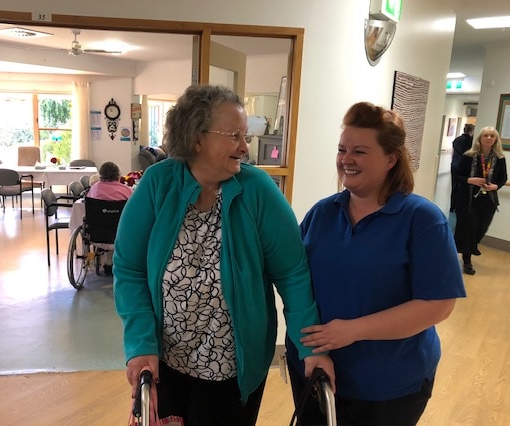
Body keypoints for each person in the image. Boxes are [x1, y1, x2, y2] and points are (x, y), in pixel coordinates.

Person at [113, 84, 334, 426]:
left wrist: (311, 348)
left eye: (244, 136)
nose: (245, 148)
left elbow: (293, 275)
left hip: (233, 369)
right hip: (166, 363)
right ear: (198, 137)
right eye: (234, 135)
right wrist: (140, 343)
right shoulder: (158, 185)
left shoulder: (258, 192)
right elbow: (130, 270)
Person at [285, 102, 466, 426]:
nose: (346, 160)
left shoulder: (422, 220)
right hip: (315, 370)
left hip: (387, 388)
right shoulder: (322, 213)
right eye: (342, 149)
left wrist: (352, 331)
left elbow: (438, 305)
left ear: (391, 159)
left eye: (360, 151)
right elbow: (294, 277)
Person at [452, 126, 507, 275]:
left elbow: (503, 178)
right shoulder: (469, 156)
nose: (489, 138)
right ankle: (467, 260)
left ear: (495, 139)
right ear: (480, 138)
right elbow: (457, 174)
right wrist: (470, 180)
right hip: (468, 199)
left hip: (488, 200)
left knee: (481, 228)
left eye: (492, 136)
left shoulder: (500, 159)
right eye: (486, 135)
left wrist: (496, 186)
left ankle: (468, 249)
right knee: (468, 228)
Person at [85, 161, 132, 274]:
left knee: (104, 223)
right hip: (121, 233)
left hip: (97, 233)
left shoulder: (94, 189)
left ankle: (106, 261)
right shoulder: (127, 190)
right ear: (118, 175)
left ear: (101, 175)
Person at [450, 123, 475, 212]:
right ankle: (458, 207)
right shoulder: (471, 141)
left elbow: (453, 153)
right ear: (471, 131)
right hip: (464, 166)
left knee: (454, 186)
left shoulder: (457, 140)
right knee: (462, 188)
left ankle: (452, 206)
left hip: (454, 165)